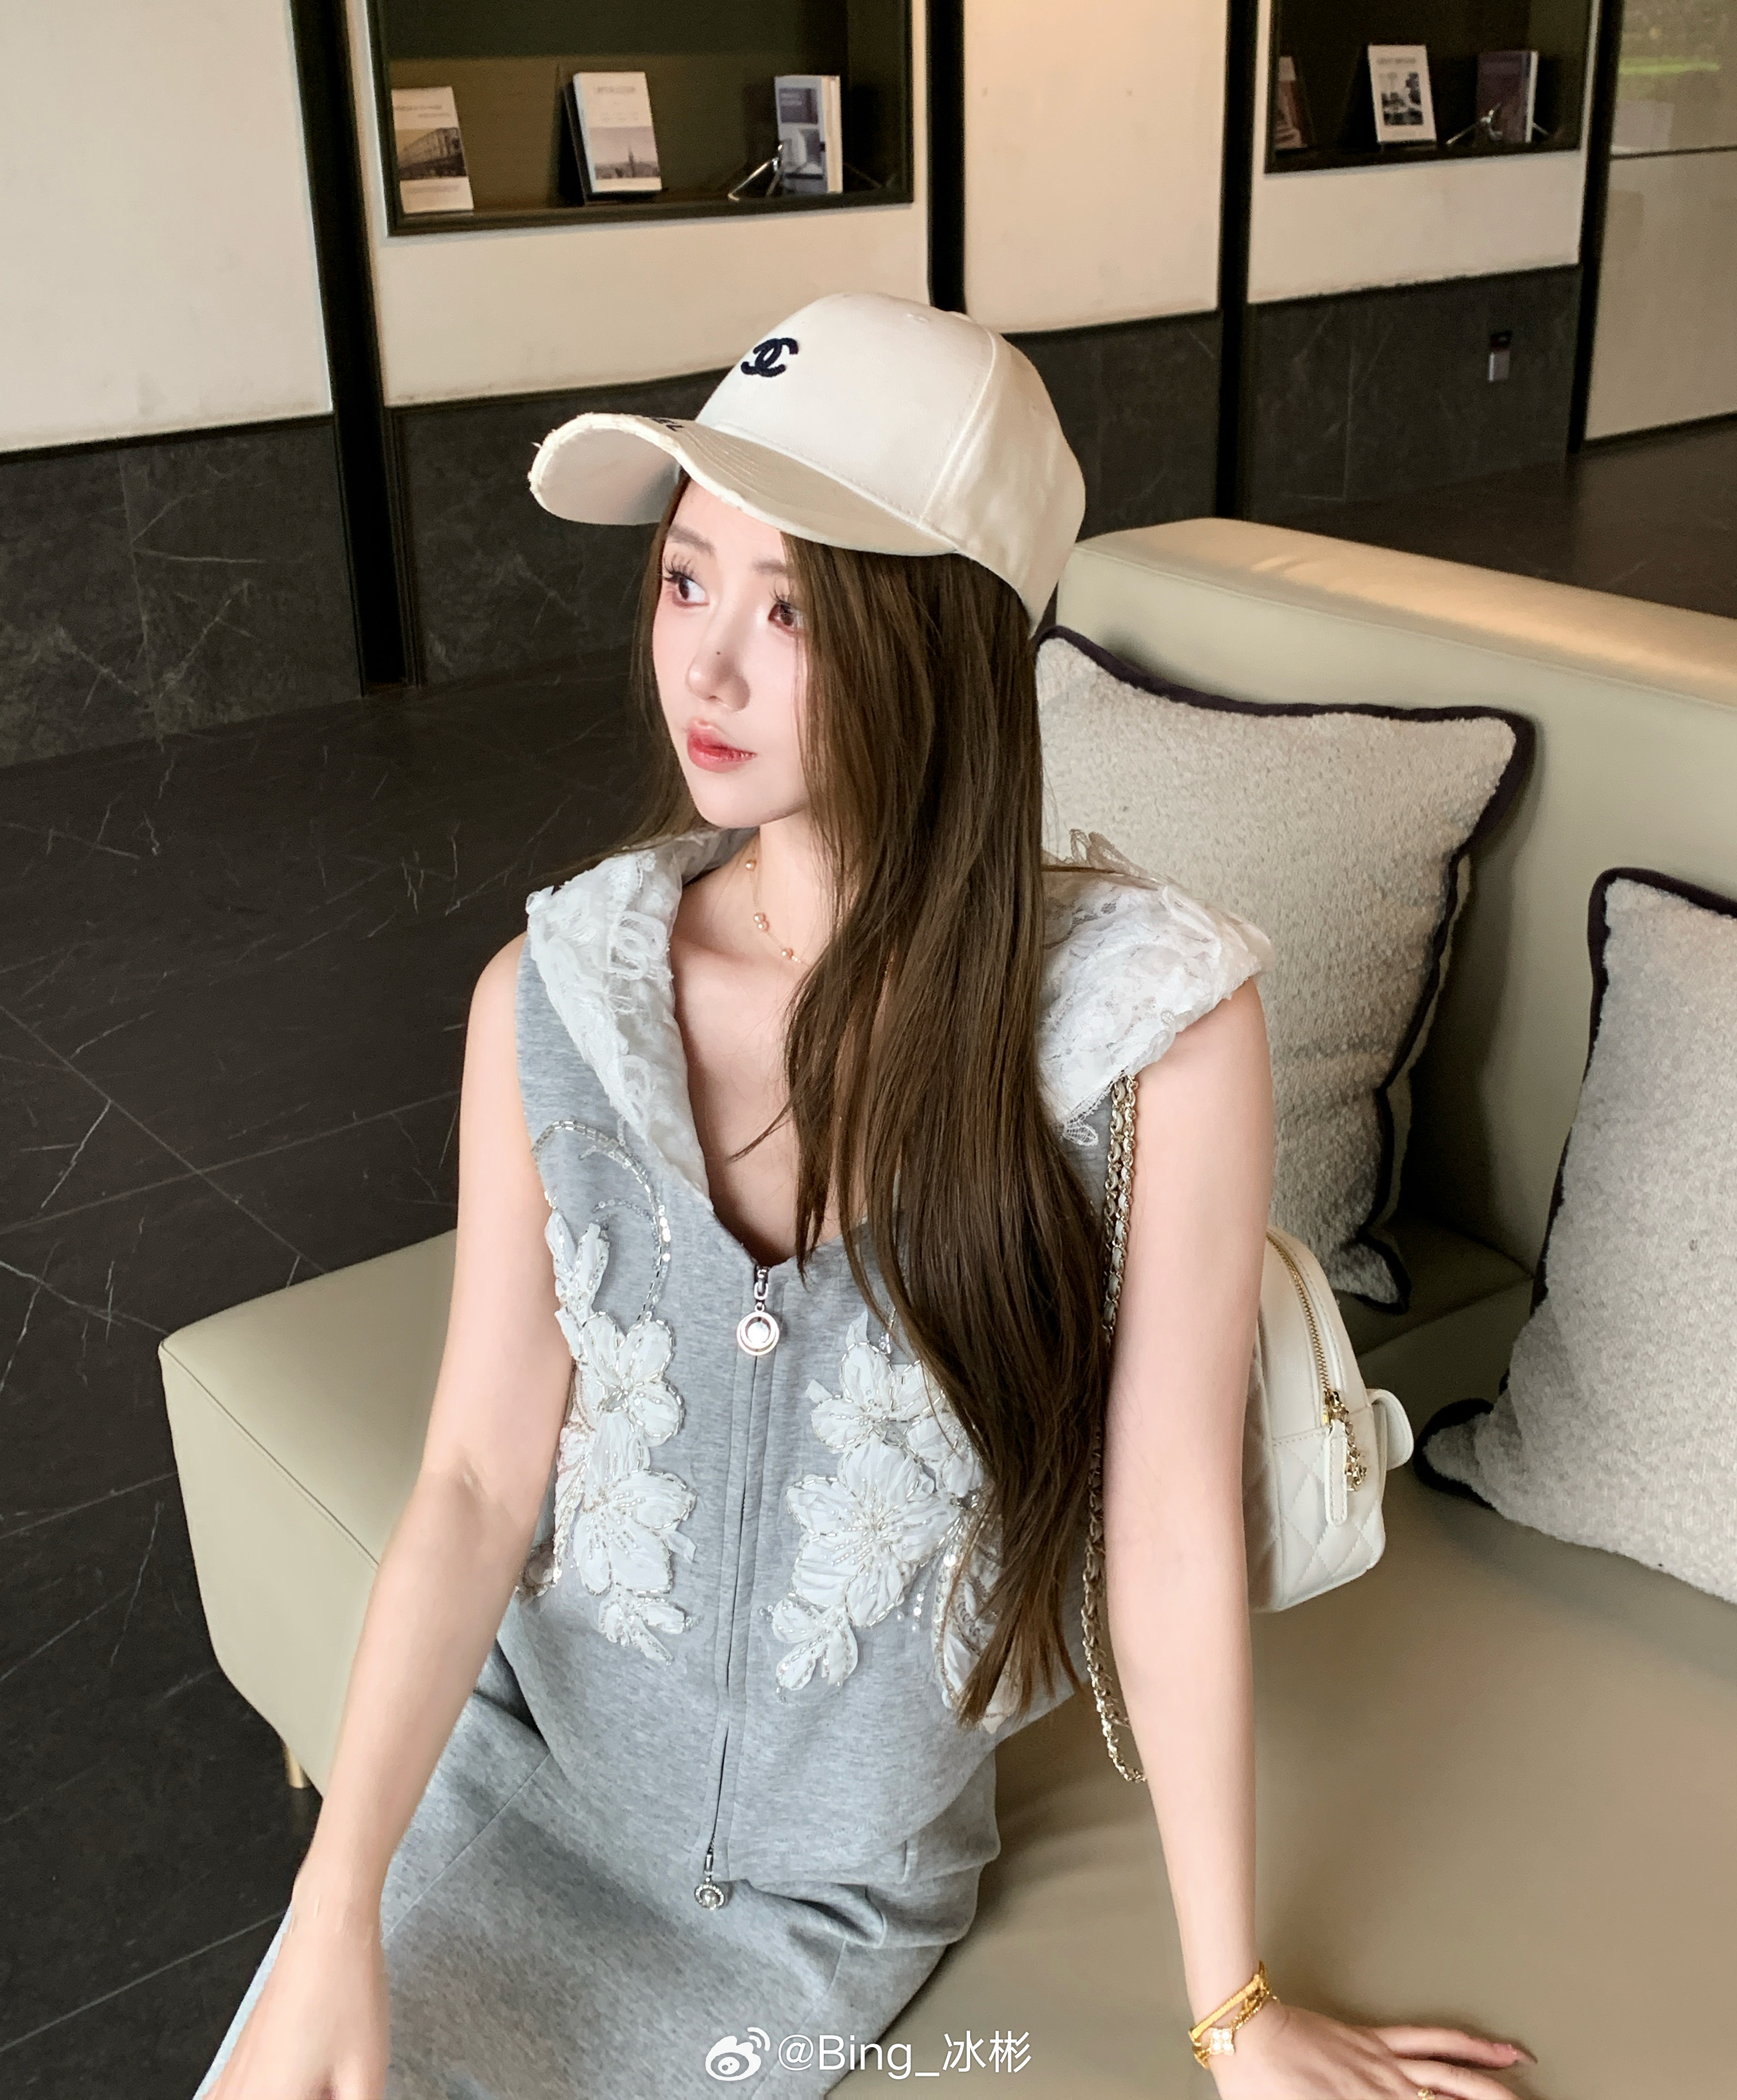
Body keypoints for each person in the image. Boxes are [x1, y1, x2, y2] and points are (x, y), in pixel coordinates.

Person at [196, 294, 1533, 2099]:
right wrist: (336, 1901)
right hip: (513, 1792)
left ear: (949, 644)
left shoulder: (1149, 1038)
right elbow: (474, 1480)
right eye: (685, 580)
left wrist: (1236, 2009)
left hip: (827, 1914)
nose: (705, 670)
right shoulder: (558, 998)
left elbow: (1166, 1529)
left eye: (792, 610)